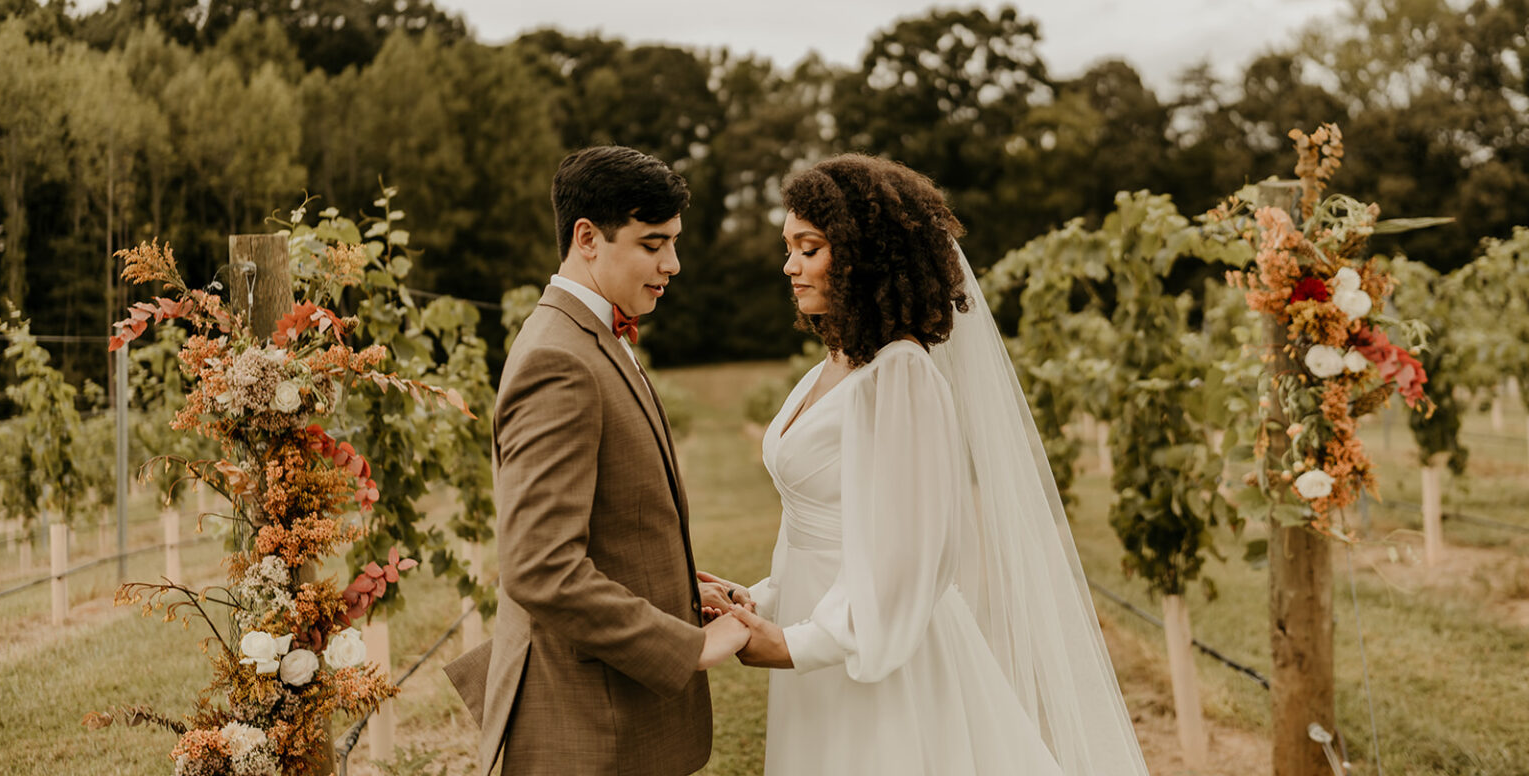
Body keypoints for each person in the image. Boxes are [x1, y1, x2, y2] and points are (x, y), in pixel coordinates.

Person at [713, 154, 1150, 775]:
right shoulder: (834, 365)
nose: (790, 266)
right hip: (821, 644)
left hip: (885, 660)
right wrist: (754, 599)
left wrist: (797, 642)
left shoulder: (902, 374)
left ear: (862, 255)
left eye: (808, 248)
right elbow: (821, 533)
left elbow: (910, 553)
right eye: (788, 248)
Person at [445, 146, 750, 776]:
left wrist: (678, 587)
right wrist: (687, 646)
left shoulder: (591, 337)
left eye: (673, 242)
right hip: (585, 726)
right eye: (652, 243)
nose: (674, 263)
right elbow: (540, 567)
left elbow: (607, 518)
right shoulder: (559, 359)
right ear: (587, 237)